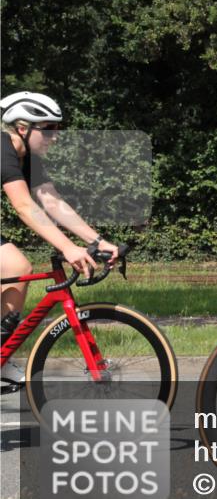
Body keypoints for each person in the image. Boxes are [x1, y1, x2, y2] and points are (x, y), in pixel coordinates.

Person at [1, 92, 118, 386]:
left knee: (17, 269)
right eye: (49, 128)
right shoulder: (2, 148)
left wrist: (97, 240)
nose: (55, 136)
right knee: (16, 264)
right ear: (22, 128)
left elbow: (52, 203)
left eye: (58, 129)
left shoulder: (26, 158)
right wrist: (66, 247)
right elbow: (25, 206)